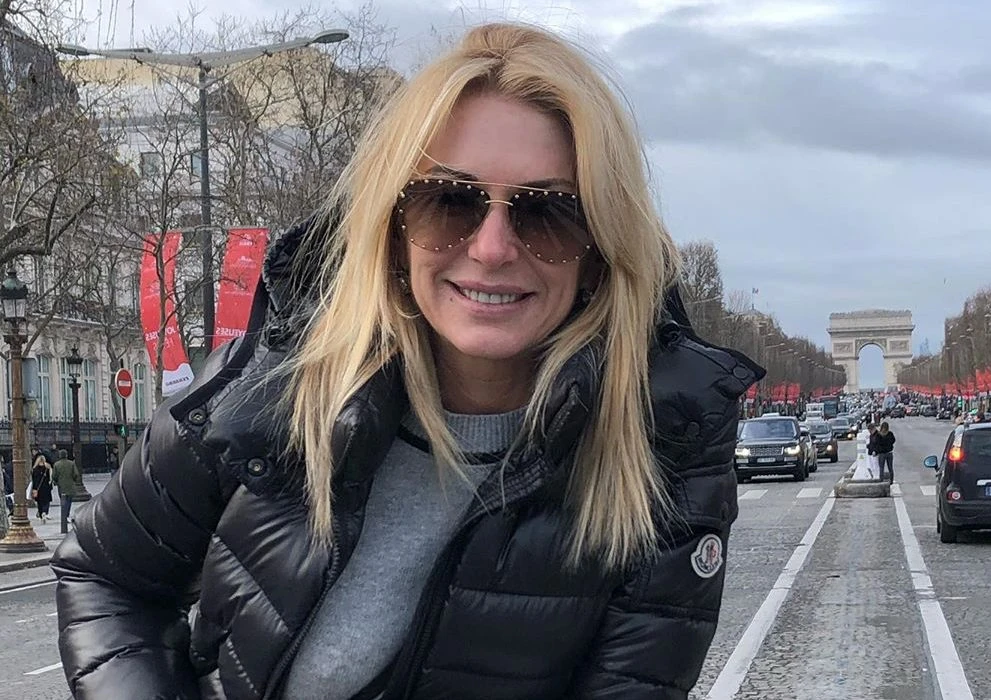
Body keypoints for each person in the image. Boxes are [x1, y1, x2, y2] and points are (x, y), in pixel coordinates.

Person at [51, 23, 765, 700]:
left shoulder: (662, 440)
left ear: (601, 249)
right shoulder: (270, 379)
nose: (492, 248)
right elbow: (107, 575)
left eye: (549, 212)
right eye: (449, 202)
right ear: (392, 227)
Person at [51, 449, 79, 535]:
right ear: (66, 455)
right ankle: (67, 515)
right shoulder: (71, 464)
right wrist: (73, 480)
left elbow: (54, 476)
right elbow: (76, 474)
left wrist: (56, 482)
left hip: (61, 486)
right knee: (69, 501)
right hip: (70, 485)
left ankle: (64, 515)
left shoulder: (57, 464)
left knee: (63, 501)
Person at [30, 453, 53, 522]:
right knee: (46, 501)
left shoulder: (35, 469)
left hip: (38, 488)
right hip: (46, 487)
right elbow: (50, 477)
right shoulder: (47, 468)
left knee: (39, 502)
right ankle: (44, 512)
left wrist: (34, 488)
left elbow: (33, 479)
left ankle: (40, 513)